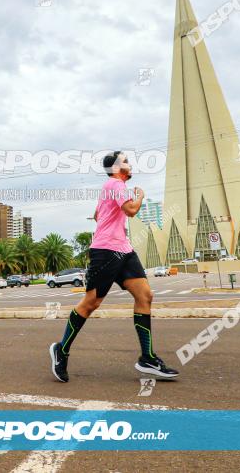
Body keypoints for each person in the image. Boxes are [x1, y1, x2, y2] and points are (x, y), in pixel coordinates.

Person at [49, 151, 178, 382]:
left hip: (124, 250)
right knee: (91, 303)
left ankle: (147, 358)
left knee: (145, 295)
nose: (130, 164)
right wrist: (139, 196)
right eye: (126, 161)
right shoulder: (115, 184)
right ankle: (62, 349)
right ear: (116, 168)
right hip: (106, 251)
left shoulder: (110, 188)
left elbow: (98, 215)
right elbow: (131, 210)